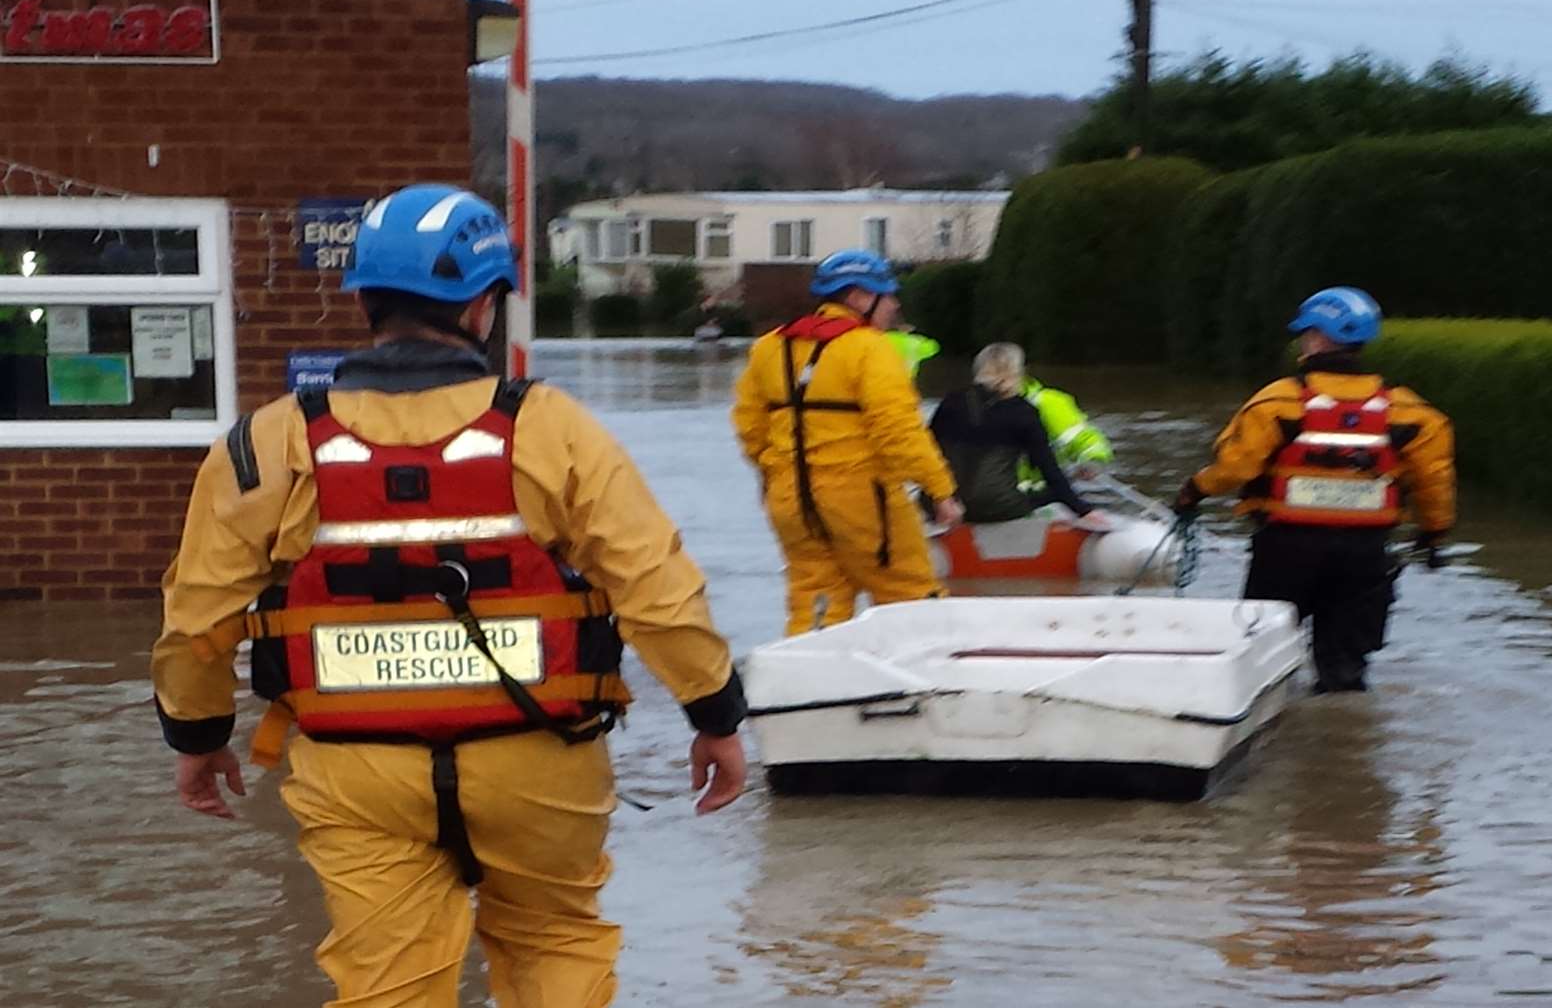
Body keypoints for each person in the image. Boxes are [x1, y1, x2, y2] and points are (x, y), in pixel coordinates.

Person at [151, 185, 748, 1008]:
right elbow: (658, 588)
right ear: (481, 307)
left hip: (358, 774)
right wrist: (714, 716)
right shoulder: (551, 428)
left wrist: (198, 734)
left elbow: (197, 618)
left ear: (362, 297)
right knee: (555, 949)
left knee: (388, 987)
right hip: (540, 760)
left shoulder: (267, 442)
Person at [1172, 286, 1454, 694]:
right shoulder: (1411, 411)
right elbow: (1435, 480)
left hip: (1285, 548)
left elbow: (1237, 467)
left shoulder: (1277, 401)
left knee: (1261, 660)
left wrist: (1193, 491)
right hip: (1365, 554)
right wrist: (1434, 533)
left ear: (1317, 338)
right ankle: (1349, 746)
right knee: (1344, 672)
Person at [732, 249, 963, 636]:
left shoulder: (769, 348)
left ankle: (810, 677)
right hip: (861, 496)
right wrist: (941, 490)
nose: (894, 304)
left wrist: (774, 472)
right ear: (858, 297)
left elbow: (749, 427)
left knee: (816, 595)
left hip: (790, 497)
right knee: (906, 588)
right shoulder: (872, 350)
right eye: (887, 294)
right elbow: (898, 430)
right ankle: (917, 681)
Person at [930, 342, 1112, 528]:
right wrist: (1084, 510)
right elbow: (1048, 469)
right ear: (1018, 372)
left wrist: (941, 499)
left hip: (947, 504)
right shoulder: (1023, 411)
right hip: (998, 508)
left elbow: (928, 450)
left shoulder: (951, 402)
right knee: (1052, 492)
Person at [1019, 374, 1113, 482]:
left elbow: (1087, 440)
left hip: (1044, 491)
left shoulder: (1049, 402)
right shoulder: (998, 408)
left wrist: (1091, 462)